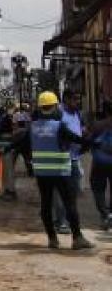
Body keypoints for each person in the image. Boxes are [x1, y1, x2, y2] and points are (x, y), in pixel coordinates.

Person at [29, 91, 94, 250]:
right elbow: (76, 139)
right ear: (54, 107)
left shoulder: (33, 127)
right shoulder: (59, 126)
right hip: (61, 172)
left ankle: (52, 239)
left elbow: (19, 143)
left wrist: (4, 150)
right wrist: (93, 142)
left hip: (42, 174)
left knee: (46, 204)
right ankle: (77, 238)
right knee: (70, 204)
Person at [53, 90, 85, 234]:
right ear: (65, 99)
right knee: (62, 192)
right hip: (63, 158)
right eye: (75, 99)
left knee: (75, 191)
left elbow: (79, 130)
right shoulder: (59, 114)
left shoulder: (77, 113)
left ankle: (65, 217)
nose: (78, 102)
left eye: (79, 99)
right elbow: (61, 134)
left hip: (76, 158)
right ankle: (62, 222)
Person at [89, 100, 112, 230]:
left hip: (100, 162)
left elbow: (89, 141)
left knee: (98, 188)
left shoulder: (98, 125)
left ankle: (105, 215)